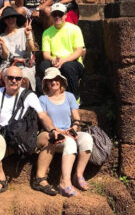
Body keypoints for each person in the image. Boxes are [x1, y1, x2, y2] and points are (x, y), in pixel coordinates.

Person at [0, 65, 60, 199]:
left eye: (18, 78)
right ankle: (1, 180)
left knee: (49, 137)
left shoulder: (29, 96)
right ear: (4, 79)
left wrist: (53, 130)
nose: (14, 81)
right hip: (3, 140)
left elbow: (42, 115)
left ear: (22, 80)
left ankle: (40, 179)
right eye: (10, 77)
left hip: (25, 139)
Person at [34, 67, 93, 197]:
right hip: (52, 133)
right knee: (70, 143)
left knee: (87, 139)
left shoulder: (70, 96)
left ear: (61, 81)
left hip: (69, 130)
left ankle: (78, 175)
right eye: (50, 80)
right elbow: (43, 119)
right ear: (46, 83)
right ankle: (64, 183)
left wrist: (74, 129)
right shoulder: (42, 99)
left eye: (56, 79)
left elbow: (76, 118)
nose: (54, 82)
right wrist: (59, 131)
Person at [38, 3, 85, 100]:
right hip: (55, 61)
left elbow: (78, 51)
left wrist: (63, 60)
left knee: (67, 67)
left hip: (73, 61)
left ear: (66, 15)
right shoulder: (46, 33)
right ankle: (44, 98)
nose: (57, 17)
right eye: (55, 14)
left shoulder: (75, 29)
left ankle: (74, 99)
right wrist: (54, 59)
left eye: (60, 14)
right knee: (43, 66)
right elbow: (46, 54)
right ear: (51, 15)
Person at [0, 7, 36, 89]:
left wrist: (28, 36)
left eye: (13, 17)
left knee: (24, 77)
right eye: (7, 18)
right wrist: (3, 44)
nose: (10, 20)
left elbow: (31, 49)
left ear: (16, 18)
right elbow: (5, 57)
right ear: (4, 20)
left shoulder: (24, 31)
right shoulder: (1, 37)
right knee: (11, 75)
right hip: (9, 64)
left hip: (25, 63)